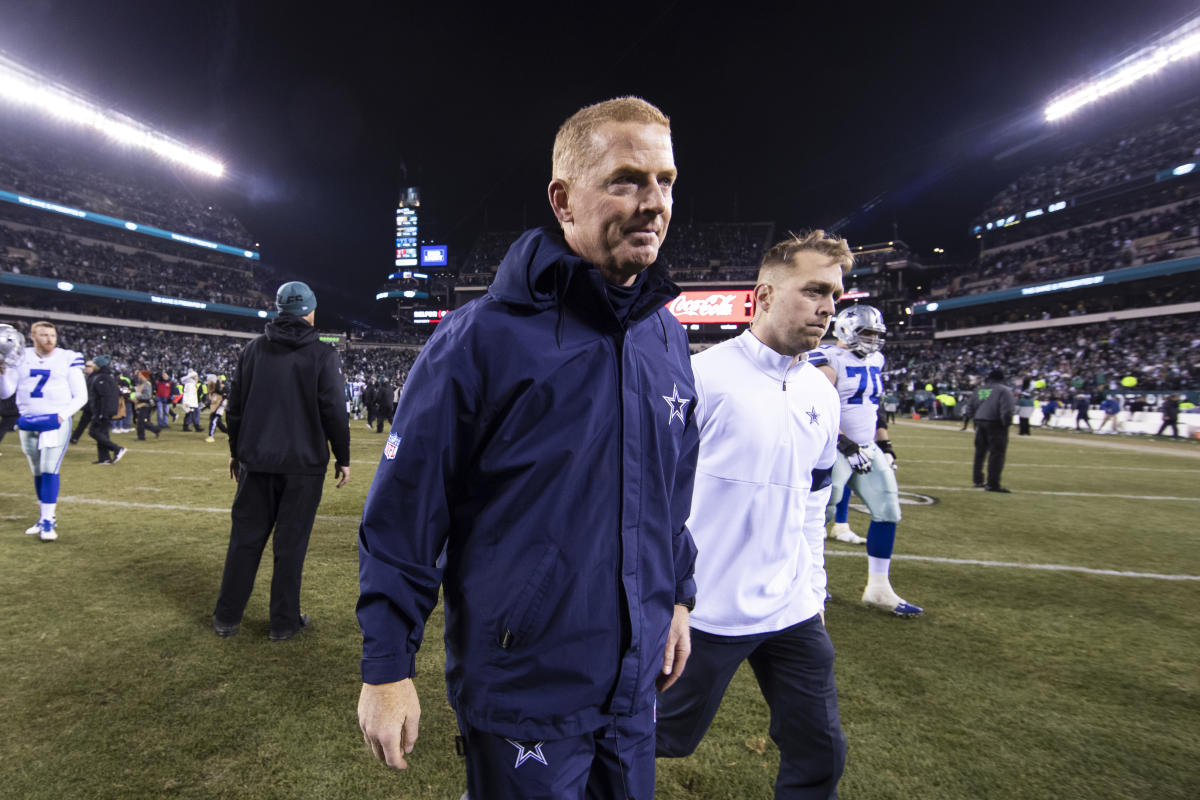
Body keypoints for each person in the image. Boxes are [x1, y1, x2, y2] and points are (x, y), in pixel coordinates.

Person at [356, 97, 698, 799]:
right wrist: (387, 669)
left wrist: (680, 599)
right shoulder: (479, 339)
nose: (653, 203)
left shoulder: (667, 336)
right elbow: (405, 515)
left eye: (665, 181)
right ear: (563, 200)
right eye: (628, 180)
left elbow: (673, 493)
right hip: (524, 691)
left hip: (633, 689)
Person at [656, 231, 849, 797]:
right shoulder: (702, 377)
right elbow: (653, 499)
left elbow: (814, 505)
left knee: (820, 749)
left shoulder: (821, 392)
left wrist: (813, 590)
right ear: (763, 295)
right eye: (814, 290)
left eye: (834, 294)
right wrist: (671, 596)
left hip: (791, 609)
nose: (827, 307)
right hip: (704, 611)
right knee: (653, 736)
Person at [212, 281, 351, 641]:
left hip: (256, 462)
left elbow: (236, 407)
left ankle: (226, 617)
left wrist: (235, 451)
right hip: (303, 467)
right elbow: (334, 410)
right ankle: (283, 623)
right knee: (290, 547)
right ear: (311, 311)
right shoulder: (323, 354)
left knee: (244, 540)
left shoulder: (253, 350)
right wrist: (343, 455)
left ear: (278, 309)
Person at [811, 305, 922, 617]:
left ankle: (878, 588)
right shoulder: (826, 358)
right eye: (866, 333)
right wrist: (844, 443)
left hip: (866, 447)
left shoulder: (877, 359)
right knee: (820, 516)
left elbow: (875, 405)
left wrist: (885, 443)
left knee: (888, 510)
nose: (873, 340)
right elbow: (817, 406)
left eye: (876, 333)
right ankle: (807, 580)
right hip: (831, 448)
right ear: (846, 330)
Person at [0, 321, 88, 541]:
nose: (49, 339)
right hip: (28, 420)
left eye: (52, 335)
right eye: (44, 335)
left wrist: (61, 416)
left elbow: (81, 396)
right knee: (37, 470)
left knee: (49, 469)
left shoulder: (67, 357)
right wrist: (2, 371)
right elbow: (5, 393)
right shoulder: (20, 357)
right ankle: (43, 517)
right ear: (32, 336)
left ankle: (48, 520)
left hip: (55, 420)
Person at [971, 369, 1016, 493]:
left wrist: (975, 420)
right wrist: (1006, 423)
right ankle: (992, 484)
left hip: (980, 422)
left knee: (980, 453)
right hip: (995, 423)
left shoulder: (980, 389)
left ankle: (977, 480)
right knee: (997, 454)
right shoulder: (1004, 390)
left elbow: (970, 406)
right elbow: (1007, 409)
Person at [87, 354, 126, 464]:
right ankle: (104, 458)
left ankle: (117, 448)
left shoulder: (102, 378)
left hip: (102, 411)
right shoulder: (106, 376)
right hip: (104, 410)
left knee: (93, 432)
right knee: (103, 433)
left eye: (94, 363)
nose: (93, 365)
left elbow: (104, 397)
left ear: (99, 365)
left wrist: (101, 413)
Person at [69, 360, 96, 444]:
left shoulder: (95, 377)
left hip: (94, 405)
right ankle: (74, 438)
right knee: (82, 424)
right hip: (89, 405)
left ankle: (103, 440)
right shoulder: (85, 377)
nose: (86, 368)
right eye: (86, 366)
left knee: (98, 425)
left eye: (88, 366)